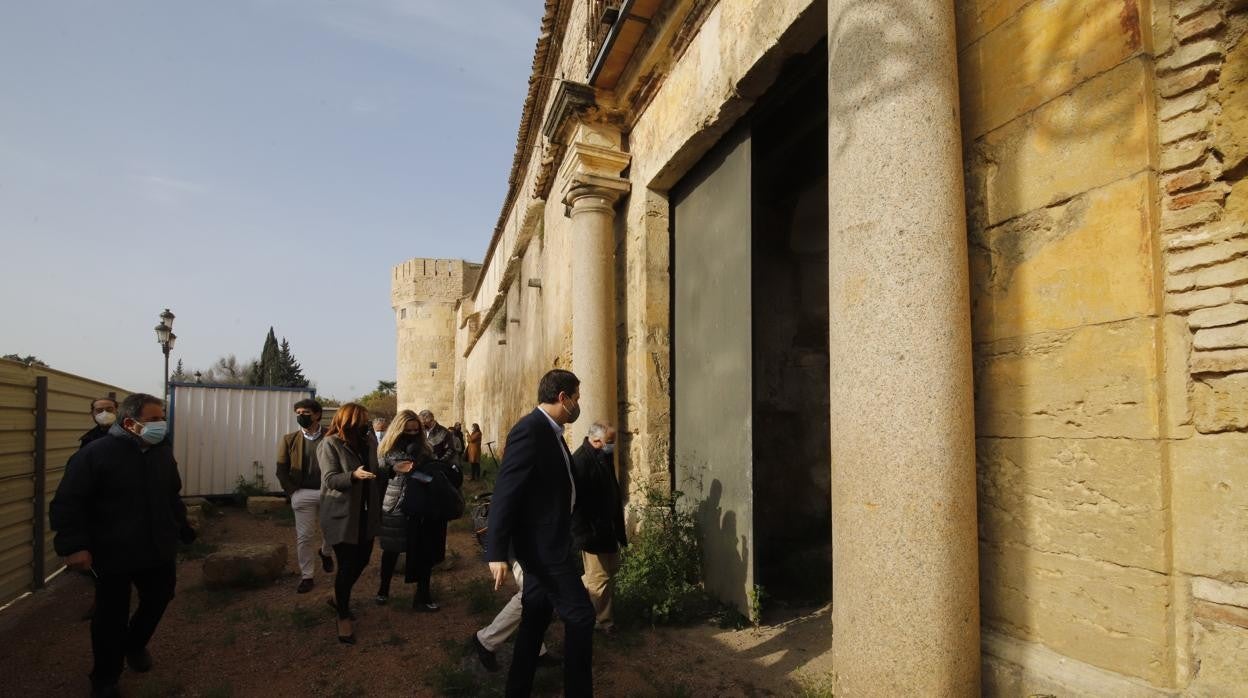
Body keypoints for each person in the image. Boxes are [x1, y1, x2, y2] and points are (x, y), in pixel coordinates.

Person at [50, 393, 194, 698]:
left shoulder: (161, 453)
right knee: (110, 616)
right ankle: (105, 678)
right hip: (111, 551)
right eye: (154, 420)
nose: (161, 425)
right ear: (130, 423)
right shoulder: (94, 454)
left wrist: (183, 527)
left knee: (160, 597)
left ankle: (134, 644)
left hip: (156, 548)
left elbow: (171, 496)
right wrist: (74, 546)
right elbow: (67, 503)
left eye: (162, 418)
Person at [486, 369, 595, 697]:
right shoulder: (530, 430)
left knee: (534, 618)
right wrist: (496, 552)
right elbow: (506, 491)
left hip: (551, 543)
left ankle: (517, 690)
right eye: (576, 397)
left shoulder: (552, 431)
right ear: (562, 397)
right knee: (581, 616)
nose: (579, 404)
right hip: (544, 549)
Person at [375, 410, 461, 610]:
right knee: (392, 550)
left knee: (424, 550)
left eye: (416, 430)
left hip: (422, 505)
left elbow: (433, 467)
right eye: (408, 430)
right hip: (395, 504)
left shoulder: (425, 448)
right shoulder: (387, 448)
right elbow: (378, 471)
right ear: (398, 429)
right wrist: (392, 469)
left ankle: (422, 596)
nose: (412, 433)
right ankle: (383, 589)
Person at [318, 402, 382, 645]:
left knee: (363, 560)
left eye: (366, 421)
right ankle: (343, 615)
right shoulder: (330, 444)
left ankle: (337, 596)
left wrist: (393, 469)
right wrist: (353, 476)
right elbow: (330, 479)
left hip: (366, 513)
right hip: (342, 515)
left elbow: (376, 470)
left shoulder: (369, 442)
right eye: (360, 421)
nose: (365, 425)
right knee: (346, 566)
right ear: (347, 421)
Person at [571, 422, 627, 633]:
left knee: (606, 572)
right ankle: (604, 622)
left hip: (606, 529)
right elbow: (575, 504)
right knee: (599, 579)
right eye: (609, 442)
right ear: (596, 441)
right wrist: (584, 535)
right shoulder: (581, 462)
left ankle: (568, 597)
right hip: (593, 533)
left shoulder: (602, 456)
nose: (611, 447)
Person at [275, 398, 335, 594]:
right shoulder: (289, 439)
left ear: (317, 414)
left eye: (306, 413)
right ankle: (307, 576)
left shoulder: (332, 436)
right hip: (302, 493)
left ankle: (325, 552)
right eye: (298, 413)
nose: (301, 416)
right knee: (304, 537)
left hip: (329, 492)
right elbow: (281, 469)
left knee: (332, 532)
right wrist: (293, 492)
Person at [471, 560, 555, 672]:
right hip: (520, 547)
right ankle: (486, 639)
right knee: (532, 592)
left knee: (536, 591)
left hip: (533, 547)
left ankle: (535, 649)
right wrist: (496, 555)